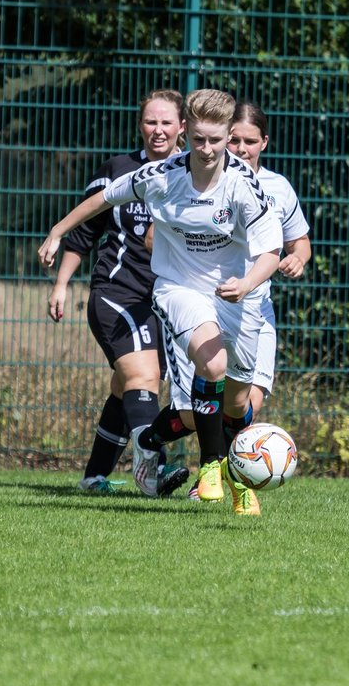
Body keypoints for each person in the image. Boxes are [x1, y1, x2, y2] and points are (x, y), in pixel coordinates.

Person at [40, 88, 282, 515]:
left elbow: (271, 253)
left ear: (229, 136)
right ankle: (211, 466)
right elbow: (103, 198)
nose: (207, 150)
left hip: (236, 293)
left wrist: (245, 284)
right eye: (200, 140)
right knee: (212, 364)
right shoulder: (162, 175)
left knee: (239, 402)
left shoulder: (245, 185)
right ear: (187, 134)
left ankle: (233, 479)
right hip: (179, 289)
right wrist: (58, 230)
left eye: (216, 140)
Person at [163, 101, 312, 498]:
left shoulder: (278, 188)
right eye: (237, 140)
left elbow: (300, 242)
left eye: (250, 141)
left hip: (256, 308)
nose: (242, 148)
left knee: (245, 406)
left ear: (264, 142)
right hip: (208, 304)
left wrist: (297, 257)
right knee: (190, 413)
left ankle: (223, 477)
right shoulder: (202, 179)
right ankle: (161, 446)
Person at [47, 89, 189, 496]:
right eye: (150, 121)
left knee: (127, 385)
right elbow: (86, 232)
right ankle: (153, 468)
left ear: (182, 127)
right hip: (117, 291)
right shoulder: (120, 169)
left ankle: (94, 477)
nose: (158, 130)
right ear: (139, 125)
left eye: (166, 122)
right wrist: (61, 284)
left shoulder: (191, 175)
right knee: (143, 376)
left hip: (164, 299)